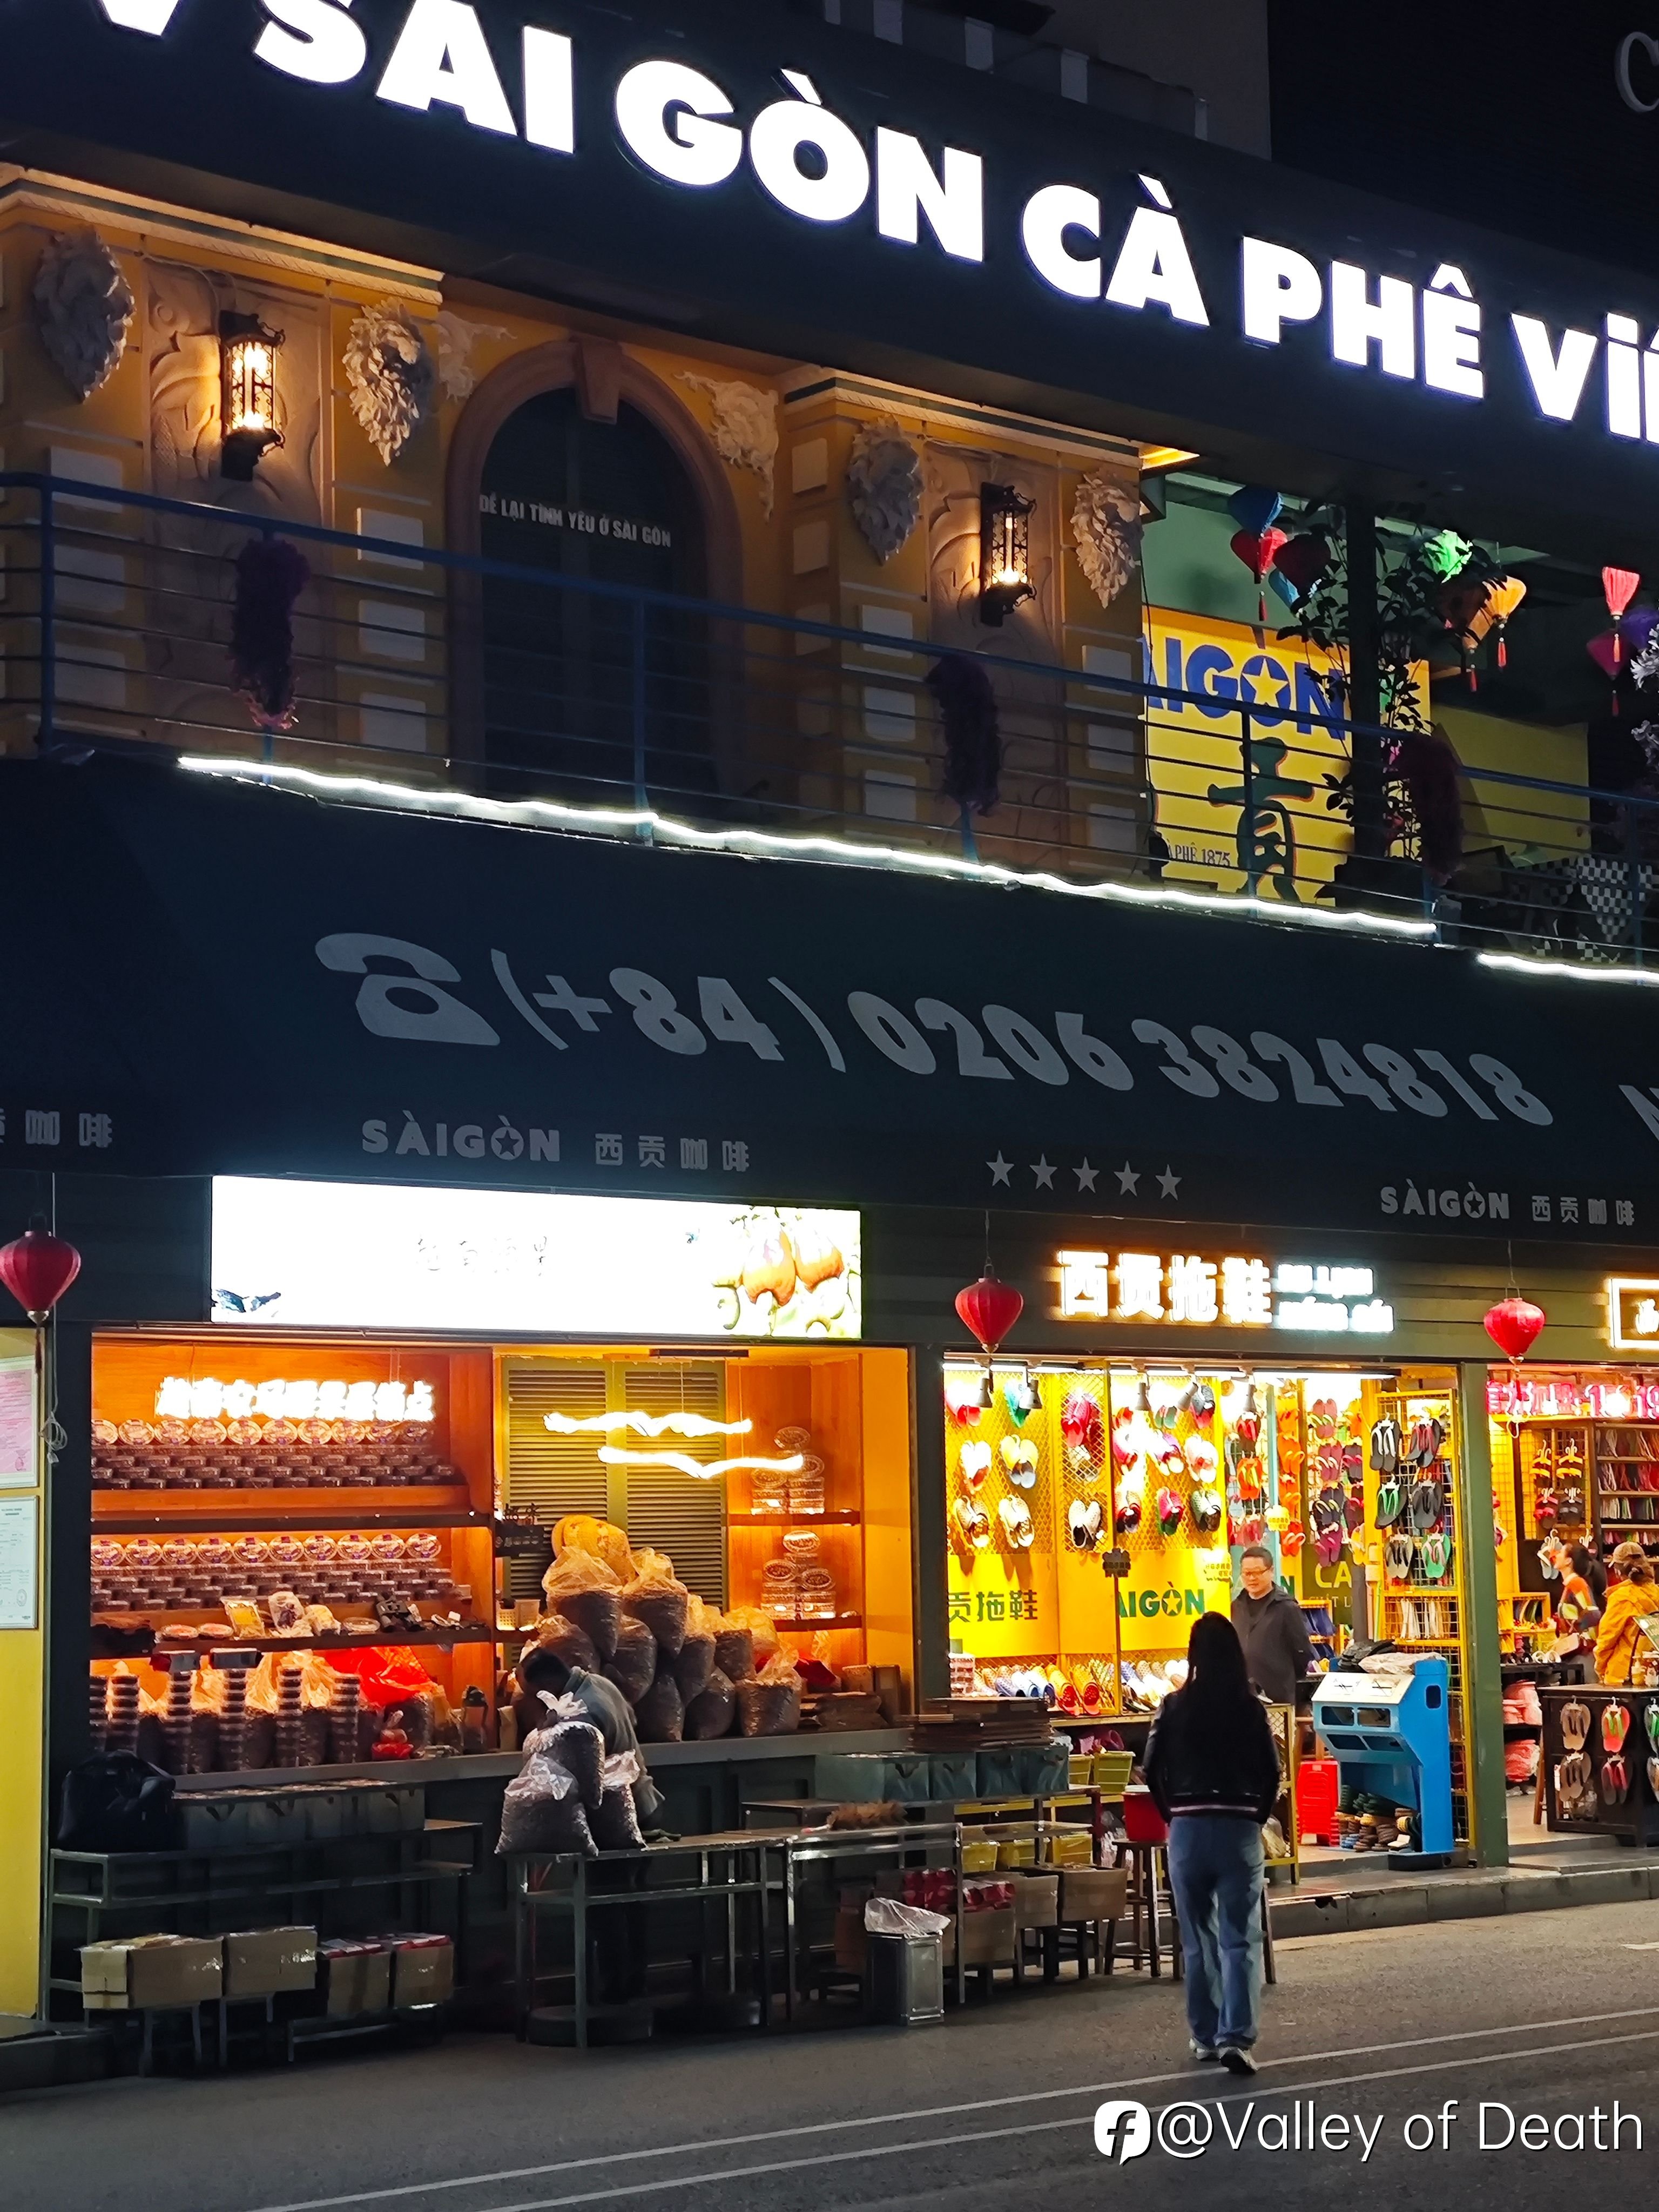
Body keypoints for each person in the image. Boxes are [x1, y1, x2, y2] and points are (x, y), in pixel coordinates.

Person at [1144, 1613, 1282, 2075]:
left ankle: (1204, 2034)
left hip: (1187, 1829)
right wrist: (1256, 1816)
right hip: (1239, 1829)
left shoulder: (1173, 1707)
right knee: (1240, 1937)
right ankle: (1236, 2038)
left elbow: (1151, 1767)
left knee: (1196, 1936)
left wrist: (1172, 1814)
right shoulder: (1251, 1709)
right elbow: (1272, 1771)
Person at [517, 1642, 665, 1826]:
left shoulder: (580, 1713)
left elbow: (585, 1784)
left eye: (534, 1695)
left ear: (547, 1687)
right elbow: (632, 1720)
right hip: (648, 1801)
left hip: (627, 1816)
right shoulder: (599, 1683)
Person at [1232, 1544, 1316, 1708]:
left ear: (1271, 1571)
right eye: (1247, 1573)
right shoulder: (1236, 1606)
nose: (1252, 1578)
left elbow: (1302, 1652)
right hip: (1242, 1696)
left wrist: (1285, 1677)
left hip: (1278, 1697)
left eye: (1258, 1572)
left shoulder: (1286, 1607)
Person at [1595, 1543, 1659, 1685]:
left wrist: (1601, 1670)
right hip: (1653, 1673)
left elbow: (1606, 1641)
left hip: (1624, 1676)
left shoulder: (1621, 1598)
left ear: (1618, 1571)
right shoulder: (1657, 1592)